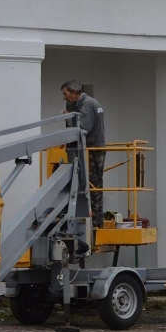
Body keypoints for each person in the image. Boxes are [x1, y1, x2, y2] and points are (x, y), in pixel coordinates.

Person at [61, 79, 106, 227]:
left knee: (91, 184)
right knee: (96, 184)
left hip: (92, 150)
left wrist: (68, 120)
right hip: (96, 149)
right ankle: (96, 220)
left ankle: (94, 221)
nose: (64, 97)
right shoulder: (91, 102)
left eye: (66, 93)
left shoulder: (86, 104)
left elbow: (84, 128)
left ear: (74, 92)